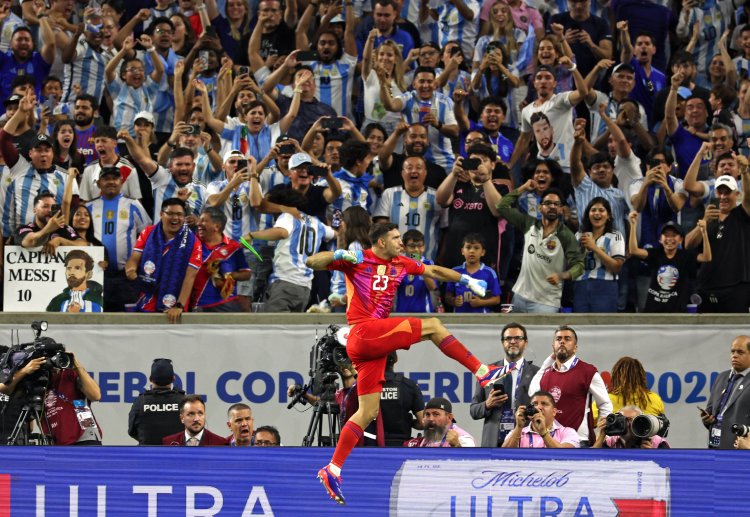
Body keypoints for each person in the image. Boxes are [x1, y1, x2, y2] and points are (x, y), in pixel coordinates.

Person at [308, 222, 502, 504]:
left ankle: (333, 468)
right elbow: (313, 261)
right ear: (382, 242)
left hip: (369, 348)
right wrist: (340, 255)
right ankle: (482, 371)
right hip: (363, 331)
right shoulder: (359, 259)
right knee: (434, 325)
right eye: (396, 238)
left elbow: (434, 271)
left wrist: (466, 281)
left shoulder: (402, 262)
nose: (402, 242)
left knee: (367, 412)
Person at [496, 186, 584, 313]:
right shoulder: (528, 224)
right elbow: (501, 206)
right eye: (548, 203)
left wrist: (562, 275)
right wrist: (524, 187)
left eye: (556, 204)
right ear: (539, 208)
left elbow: (579, 266)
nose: (552, 206)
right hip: (520, 296)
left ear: (561, 210)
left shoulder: (566, 236)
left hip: (546, 303)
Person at [529, 325, 612, 445]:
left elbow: (605, 404)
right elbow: (532, 392)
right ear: (553, 347)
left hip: (579, 441)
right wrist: (547, 362)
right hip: (549, 440)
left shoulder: (588, 372)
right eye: (558, 339)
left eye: (567, 339)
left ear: (575, 348)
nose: (562, 341)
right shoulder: (546, 373)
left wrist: (601, 436)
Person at [84, 165, 151, 312]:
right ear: (98, 183)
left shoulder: (134, 205)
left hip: (126, 277)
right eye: (106, 179)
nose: (111, 182)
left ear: (121, 182)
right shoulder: (88, 208)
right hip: (97, 274)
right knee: (98, 316)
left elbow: (147, 236)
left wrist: (136, 262)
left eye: (115, 178)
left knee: (127, 320)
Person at [125, 198, 202, 323]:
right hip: (146, 299)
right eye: (170, 214)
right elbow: (134, 258)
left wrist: (179, 305)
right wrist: (130, 269)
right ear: (161, 214)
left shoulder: (193, 242)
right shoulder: (148, 232)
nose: (175, 218)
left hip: (174, 306)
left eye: (179, 214)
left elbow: (190, 277)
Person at [684, 172, 750, 313]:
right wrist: (704, 222)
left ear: (737, 194)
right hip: (707, 287)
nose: (723, 197)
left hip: (736, 287)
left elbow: (749, 196)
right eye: (720, 192)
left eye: (728, 192)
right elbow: (688, 244)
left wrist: (745, 171)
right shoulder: (707, 216)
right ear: (715, 193)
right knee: (706, 333)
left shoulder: (743, 214)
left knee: (736, 333)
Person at [470, 322, 540, 447]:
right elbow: (474, 411)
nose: (513, 342)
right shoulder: (486, 372)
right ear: (503, 343)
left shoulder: (537, 373)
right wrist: (487, 404)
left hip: (524, 441)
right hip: (493, 442)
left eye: (518, 338)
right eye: (508, 338)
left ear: (525, 342)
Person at [628, 215, 711, 313]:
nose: (670, 238)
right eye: (666, 235)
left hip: (676, 312)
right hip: (653, 311)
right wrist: (633, 225)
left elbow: (706, 257)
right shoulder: (655, 254)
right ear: (660, 239)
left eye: (674, 235)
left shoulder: (685, 256)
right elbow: (633, 251)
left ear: (680, 239)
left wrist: (704, 232)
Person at [372, 156, 444, 261]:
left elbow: (444, 230)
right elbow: (381, 228)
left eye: (418, 167)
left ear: (425, 173)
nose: (414, 171)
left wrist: (440, 257)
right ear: (402, 173)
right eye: (409, 168)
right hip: (395, 261)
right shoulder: (390, 194)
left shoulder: (437, 197)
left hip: (427, 262)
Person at [192, 207, 251, 312]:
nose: (198, 224)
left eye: (204, 220)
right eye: (199, 220)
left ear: (217, 226)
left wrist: (228, 275)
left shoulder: (234, 247)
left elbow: (246, 274)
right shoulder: (191, 243)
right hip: (195, 304)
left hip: (224, 304)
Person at [573, 197, 625, 313]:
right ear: (588, 214)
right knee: (580, 326)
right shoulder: (578, 235)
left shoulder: (615, 236)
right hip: (580, 286)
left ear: (609, 216)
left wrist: (594, 248)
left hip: (605, 287)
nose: (597, 213)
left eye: (601, 210)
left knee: (604, 327)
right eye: (593, 210)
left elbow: (617, 267)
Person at [42, 350, 103, 445]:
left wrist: (77, 366)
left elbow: (96, 395)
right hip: (58, 441)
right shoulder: (40, 384)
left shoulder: (69, 374)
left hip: (84, 436)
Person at [702, 335, 750, 449]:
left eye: (740, 352)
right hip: (715, 447)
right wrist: (707, 419)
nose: (735, 355)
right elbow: (711, 409)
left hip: (741, 448)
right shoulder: (721, 377)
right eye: (732, 351)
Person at [127, 358, 186, 445]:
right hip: (177, 456)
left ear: (150, 379)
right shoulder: (184, 402)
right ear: (173, 379)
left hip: (147, 456)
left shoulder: (140, 402)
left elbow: (132, 431)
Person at [501, 390, 580, 448]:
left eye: (544, 404)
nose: (539, 407)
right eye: (534, 404)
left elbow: (565, 455)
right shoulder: (517, 432)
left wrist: (543, 433)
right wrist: (518, 427)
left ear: (554, 412)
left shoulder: (568, 432)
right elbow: (503, 456)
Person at [444, 233, 501, 313]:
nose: (471, 251)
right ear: (462, 251)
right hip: (459, 319)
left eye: (476, 248)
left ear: (483, 252)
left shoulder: (490, 273)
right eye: (468, 247)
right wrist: (453, 301)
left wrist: (481, 303)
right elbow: (447, 296)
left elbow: (497, 299)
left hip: (482, 319)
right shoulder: (454, 271)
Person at [378, 351, 425, 446]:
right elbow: (423, 422)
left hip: (372, 446)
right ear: (396, 360)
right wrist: (408, 422)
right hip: (402, 446)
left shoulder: (365, 386)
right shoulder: (409, 385)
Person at [15, 191, 86, 251]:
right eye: (45, 206)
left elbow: (83, 244)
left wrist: (60, 240)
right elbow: (31, 242)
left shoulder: (63, 228)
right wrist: (48, 229)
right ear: (34, 210)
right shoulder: (24, 229)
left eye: (52, 207)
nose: (50, 210)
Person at [404, 397, 475, 447]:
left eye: (436, 414)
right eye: (427, 414)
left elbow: (472, 464)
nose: (431, 419)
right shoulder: (427, 439)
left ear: (449, 417)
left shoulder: (463, 438)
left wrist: (457, 446)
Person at [162, 395, 229, 446]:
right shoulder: (168, 443)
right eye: (191, 414)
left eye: (200, 413)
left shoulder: (220, 443)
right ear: (182, 418)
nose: (196, 419)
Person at [592, 406, 670, 449]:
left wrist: (651, 455)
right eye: (622, 419)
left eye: (631, 420)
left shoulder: (657, 443)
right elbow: (590, 462)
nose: (627, 424)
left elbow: (670, 468)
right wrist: (601, 436)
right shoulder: (610, 442)